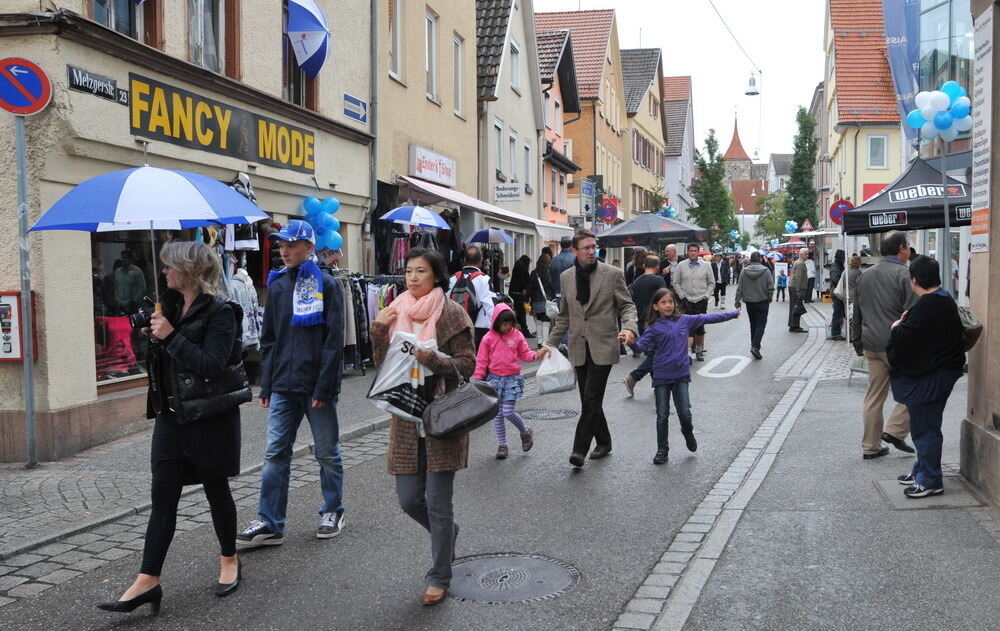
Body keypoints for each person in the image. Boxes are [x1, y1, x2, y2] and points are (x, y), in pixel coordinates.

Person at [98, 242, 244, 614]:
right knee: (163, 498)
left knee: (216, 490)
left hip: (208, 419)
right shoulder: (169, 307)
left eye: (168, 267)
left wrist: (170, 337)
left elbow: (211, 366)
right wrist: (154, 337)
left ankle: (229, 558)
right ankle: (148, 580)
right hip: (171, 418)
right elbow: (166, 364)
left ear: (189, 269)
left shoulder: (222, 312)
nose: (163, 272)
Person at [370, 247, 476, 606]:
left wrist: (432, 359)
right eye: (409, 271)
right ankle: (447, 536)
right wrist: (377, 331)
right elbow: (381, 367)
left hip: (442, 417)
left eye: (420, 271)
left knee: (437, 503)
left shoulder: (451, 313)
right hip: (404, 417)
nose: (412, 278)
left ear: (436, 275)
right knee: (408, 500)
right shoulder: (394, 309)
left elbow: (468, 365)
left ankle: (439, 576)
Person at [237, 220, 346, 549]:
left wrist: (325, 387)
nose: (283, 251)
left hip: (316, 387)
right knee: (274, 454)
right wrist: (266, 386)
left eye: (292, 245)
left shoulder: (327, 284)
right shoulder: (279, 285)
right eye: (281, 245)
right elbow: (269, 341)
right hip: (283, 385)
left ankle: (333, 510)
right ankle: (270, 522)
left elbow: (333, 341)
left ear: (309, 248)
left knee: (327, 453)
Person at [546, 230, 637, 468]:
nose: (590, 251)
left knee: (591, 397)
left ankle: (579, 449)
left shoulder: (612, 274)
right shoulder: (566, 277)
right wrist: (549, 344)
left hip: (604, 344)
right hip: (578, 345)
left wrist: (629, 329)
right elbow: (564, 317)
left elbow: (627, 306)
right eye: (585, 247)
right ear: (574, 251)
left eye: (592, 247)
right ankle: (604, 441)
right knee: (590, 400)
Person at [632, 288, 739, 464]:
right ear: (656, 307)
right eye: (663, 302)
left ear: (675, 304)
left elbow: (709, 318)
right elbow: (641, 347)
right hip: (662, 376)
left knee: (685, 413)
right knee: (662, 415)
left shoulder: (685, 320)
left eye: (670, 302)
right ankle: (662, 449)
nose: (668, 305)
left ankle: (687, 432)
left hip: (681, 374)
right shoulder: (653, 328)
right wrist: (631, 343)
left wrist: (732, 314)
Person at [888, 256, 965, 498]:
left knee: (925, 428)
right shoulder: (943, 299)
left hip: (930, 377)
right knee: (925, 425)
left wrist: (896, 327)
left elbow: (907, 339)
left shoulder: (927, 305)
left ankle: (930, 480)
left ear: (914, 280)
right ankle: (922, 470)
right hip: (941, 372)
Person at [853, 231, 918, 460]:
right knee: (917, 386)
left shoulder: (865, 275)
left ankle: (870, 446)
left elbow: (857, 312)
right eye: (908, 246)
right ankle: (895, 430)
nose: (909, 250)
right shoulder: (905, 275)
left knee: (874, 396)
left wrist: (857, 340)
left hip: (871, 342)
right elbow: (912, 313)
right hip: (896, 343)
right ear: (902, 249)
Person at [474, 304, 550, 459]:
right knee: (498, 415)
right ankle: (502, 445)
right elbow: (481, 361)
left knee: (507, 411)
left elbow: (525, 353)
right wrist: (477, 379)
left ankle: (525, 431)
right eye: (504, 324)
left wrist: (535, 356)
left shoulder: (517, 335)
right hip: (494, 381)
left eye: (510, 324)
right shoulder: (488, 339)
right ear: (496, 322)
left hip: (511, 380)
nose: (507, 327)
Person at [623, 255, 667, 395]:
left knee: (653, 353)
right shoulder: (659, 280)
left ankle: (658, 385)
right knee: (656, 355)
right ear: (657, 266)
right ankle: (633, 377)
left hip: (641, 320)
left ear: (643, 266)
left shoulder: (637, 281)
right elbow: (664, 299)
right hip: (655, 321)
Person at [672, 243, 715, 361]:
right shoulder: (681, 265)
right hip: (686, 300)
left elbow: (711, 282)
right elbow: (675, 282)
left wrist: (707, 295)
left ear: (698, 252)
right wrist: (681, 296)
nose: (693, 253)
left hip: (701, 299)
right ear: (688, 252)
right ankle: (688, 350)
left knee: (700, 326)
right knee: (686, 326)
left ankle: (699, 349)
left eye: (695, 251)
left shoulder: (706, 265)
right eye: (691, 251)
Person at [448, 245, 496, 347]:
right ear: (481, 260)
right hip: (479, 327)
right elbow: (490, 306)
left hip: (455, 327)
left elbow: (443, 303)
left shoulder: (453, 278)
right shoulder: (484, 279)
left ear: (464, 260)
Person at [734, 252, 775, 360]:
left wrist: (737, 302)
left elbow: (739, 288)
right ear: (760, 260)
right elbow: (771, 286)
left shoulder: (744, 271)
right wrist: (769, 298)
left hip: (749, 302)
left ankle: (754, 345)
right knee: (761, 325)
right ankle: (755, 346)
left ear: (751, 260)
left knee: (753, 324)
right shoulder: (766, 271)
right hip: (762, 301)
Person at [529, 253, 555, 346]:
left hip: (536, 300)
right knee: (546, 321)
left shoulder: (534, 273)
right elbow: (552, 287)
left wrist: (529, 300)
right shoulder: (550, 273)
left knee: (539, 319)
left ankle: (539, 341)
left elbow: (530, 288)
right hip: (546, 300)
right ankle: (545, 341)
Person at [508, 255, 534, 337]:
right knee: (522, 313)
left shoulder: (517, 266)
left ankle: (519, 329)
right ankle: (524, 330)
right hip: (519, 293)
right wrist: (525, 290)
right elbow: (523, 280)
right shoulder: (523, 268)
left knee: (518, 312)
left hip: (514, 292)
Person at [788, 248, 809, 333]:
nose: (808, 256)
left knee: (795, 306)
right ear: (801, 254)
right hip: (796, 288)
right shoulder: (800, 263)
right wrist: (798, 290)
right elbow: (798, 277)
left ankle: (793, 325)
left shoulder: (799, 262)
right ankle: (794, 326)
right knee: (796, 307)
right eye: (806, 254)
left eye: (808, 254)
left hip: (794, 287)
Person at [829, 249, 847, 340]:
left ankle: (837, 331)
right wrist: (844, 281)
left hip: (838, 292)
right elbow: (835, 278)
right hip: (837, 292)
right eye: (844, 256)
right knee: (837, 313)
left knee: (839, 312)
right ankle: (835, 333)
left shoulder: (838, 265)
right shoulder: (836, 266)